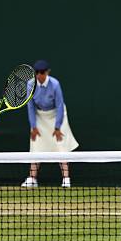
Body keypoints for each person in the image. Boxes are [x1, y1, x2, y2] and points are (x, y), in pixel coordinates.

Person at [21, 60, 79, 188]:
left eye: (42, 72)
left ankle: (66, 179)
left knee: (61, 146)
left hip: (57, 116)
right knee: (35, 146)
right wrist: (33, 126)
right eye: (37, 72)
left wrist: (57, 127)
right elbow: (30, 107)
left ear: (47, 72)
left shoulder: (55, 84)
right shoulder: (31, 85)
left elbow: (59, 105)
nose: (39, 75)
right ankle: (32, 178)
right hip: (40, 117)